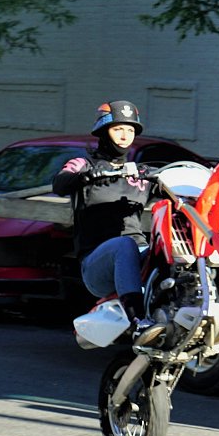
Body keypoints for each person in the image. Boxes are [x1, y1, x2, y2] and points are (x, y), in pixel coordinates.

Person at [52, 100, 165, 346]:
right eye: (118, 129)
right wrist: (84, 177)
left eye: (130, 130)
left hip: (137, 253)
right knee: (124, 245)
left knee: (169, 249)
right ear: (104, 132)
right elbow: (60, 183)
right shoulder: (85, 164)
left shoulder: (140, 174)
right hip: (97, 265)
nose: (125, 135)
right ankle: (138, 323)